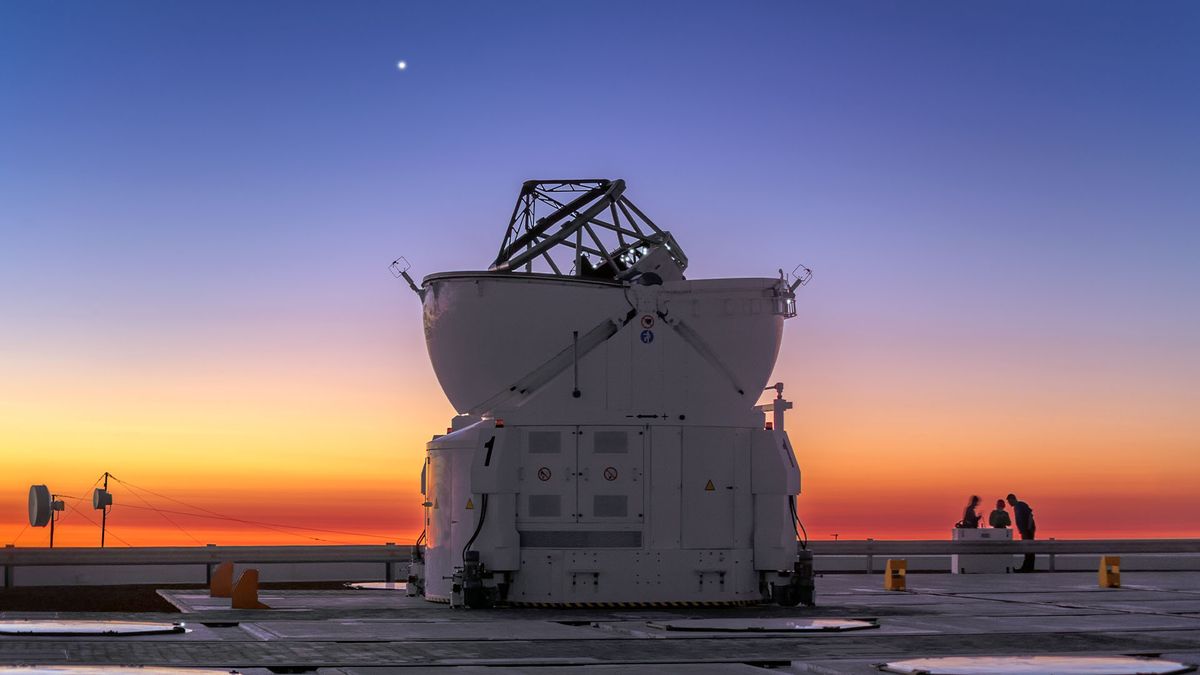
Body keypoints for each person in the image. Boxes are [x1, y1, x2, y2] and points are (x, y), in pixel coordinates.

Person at [1007, 493, 1036, 572]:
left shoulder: (1021, 505)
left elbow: (1030, 515)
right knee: (1027, 549)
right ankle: (1027, 567)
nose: (1009, 504)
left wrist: (1029, 528)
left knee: (1029, 548)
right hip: (1024, 531)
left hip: (1028, 530)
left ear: (1013, 499)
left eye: (1009, 501)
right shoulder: (1016, 507)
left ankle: (1028, 568)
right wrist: (1021, 530)